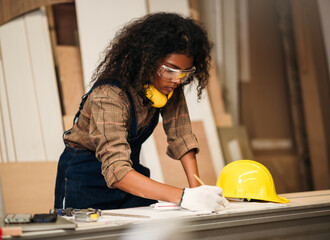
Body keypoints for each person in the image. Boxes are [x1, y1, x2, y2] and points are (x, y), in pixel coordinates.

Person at [54, 12, 226, 212]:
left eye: (185, 73)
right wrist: (183, 196)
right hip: (85, 180)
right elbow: (117, 170)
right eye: (170, 69)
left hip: (129, 175)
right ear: (147, 59)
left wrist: (197, 190)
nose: (178, 80)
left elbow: (182, 136)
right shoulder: (109, 97)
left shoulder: (168, 85)